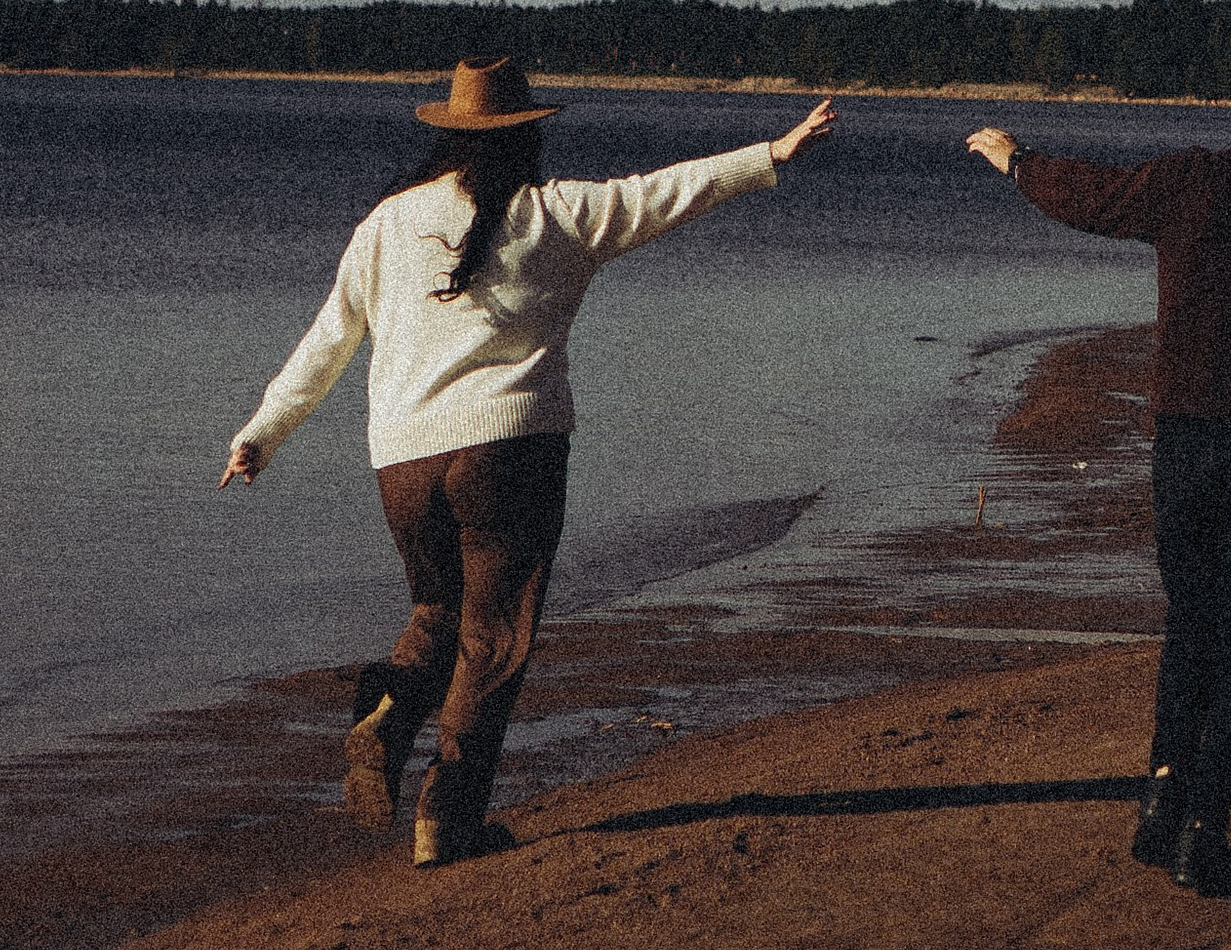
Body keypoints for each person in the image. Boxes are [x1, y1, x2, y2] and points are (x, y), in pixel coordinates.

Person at [222, 56, 836, 866]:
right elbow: (664, 193)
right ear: (527, 136)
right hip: (511, 452)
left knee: (434, 611)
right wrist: (771, 154)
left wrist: (262, 431)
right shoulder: (559, 213)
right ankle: (445, 821)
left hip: (402, 462)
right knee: (492, 639)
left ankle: (393, 709)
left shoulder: (386, 224)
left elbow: (328, 340)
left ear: (449, 135)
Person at [967, 23, 1231, 898]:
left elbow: (1092, 197)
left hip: (1185, 445)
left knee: (1195, 622)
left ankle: (1166, 786)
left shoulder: (1194, 182)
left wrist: (1015, 161)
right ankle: (1205, 826)